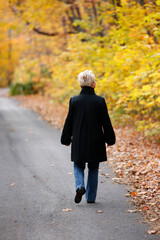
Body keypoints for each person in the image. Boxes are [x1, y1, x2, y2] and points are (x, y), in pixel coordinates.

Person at [61, 70, 116, 204]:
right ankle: (90, 197)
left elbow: (69, 121)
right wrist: (110, 139)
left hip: (79, 139)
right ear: (93, 84)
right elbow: (105, 122)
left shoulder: (74, 100)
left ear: (80, 84)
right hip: (95, 140)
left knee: (78, 165)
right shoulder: (99, 101)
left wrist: (66, 139)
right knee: (93, 167)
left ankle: (80, 186)